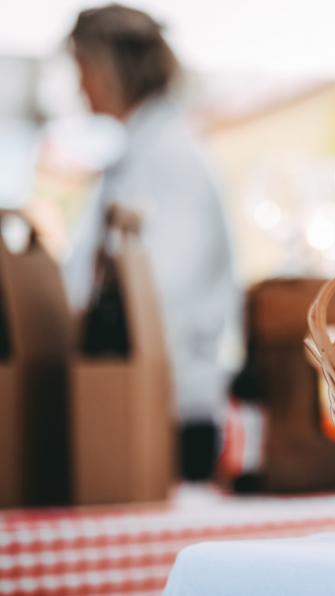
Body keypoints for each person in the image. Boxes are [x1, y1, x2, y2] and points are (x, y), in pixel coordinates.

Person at [64, 4, 240, 480]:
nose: (79, 86)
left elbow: (155, 295)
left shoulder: (170, 158)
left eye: (81, 69)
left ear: (107, 68)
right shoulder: (143, 152)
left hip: (167, 410)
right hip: (143, 401)